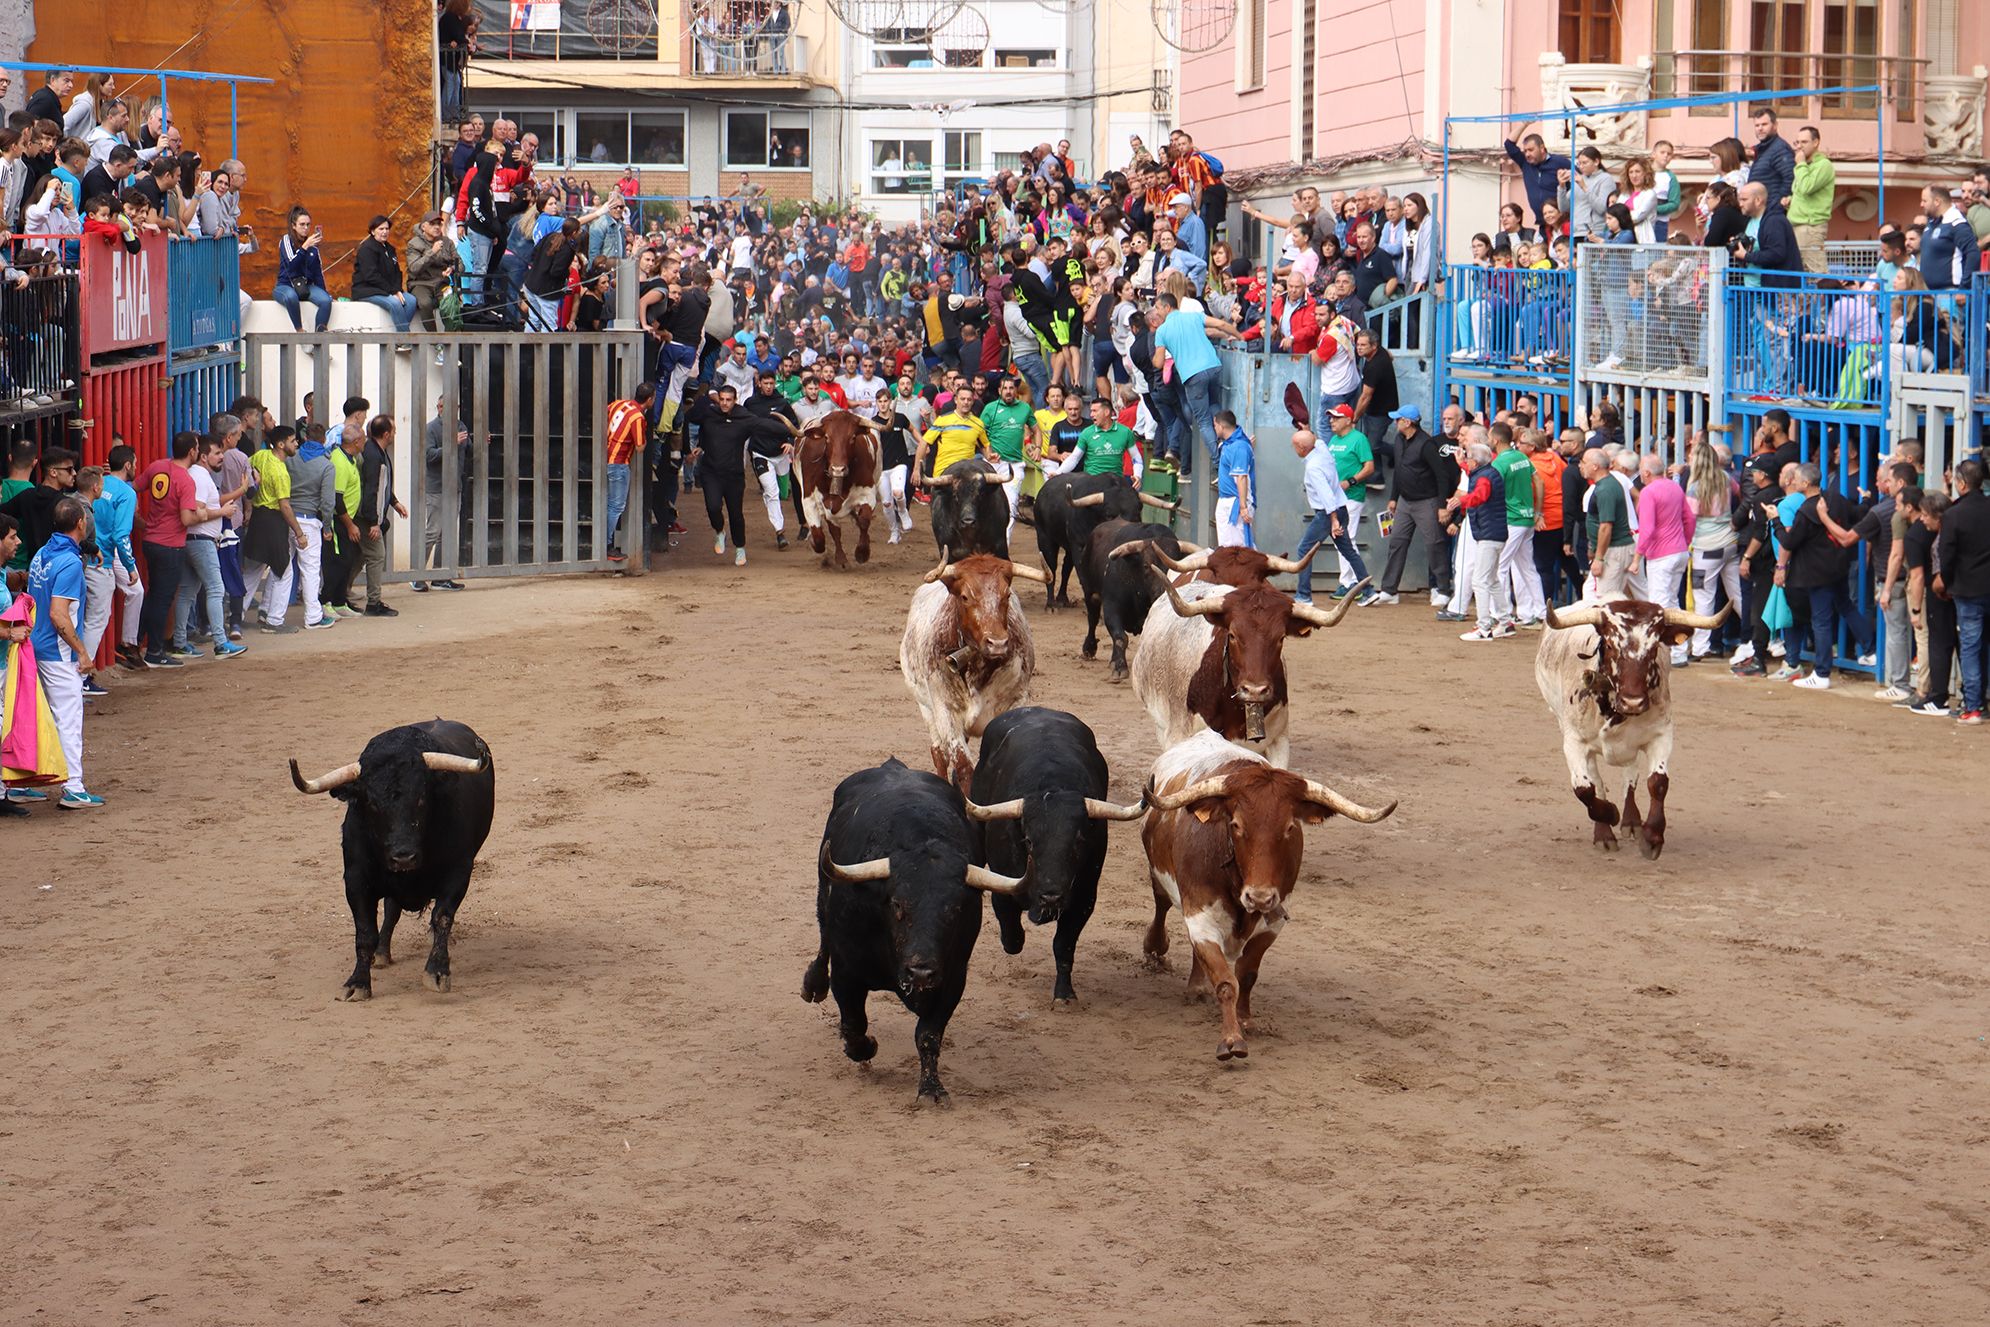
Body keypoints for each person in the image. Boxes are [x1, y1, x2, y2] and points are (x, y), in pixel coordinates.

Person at [25, 497, 102, 807]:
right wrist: (82, 652)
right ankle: (73, 786)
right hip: (59, 654)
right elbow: (60, 615)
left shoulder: (42, 554)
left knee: (33, 716)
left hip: (34, 647)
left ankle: (18, 783)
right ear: (81, 524)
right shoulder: (69, 563)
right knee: (68, 719)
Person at [1767, 462, 1865, 691]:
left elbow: (1789, 541)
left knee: (1820, 621)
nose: (1794, 481)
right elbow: (1857, 513)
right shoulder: (1835, 498)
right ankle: (1870, 650)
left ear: (1806, 483)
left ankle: (1821, 673)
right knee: (1846, 607)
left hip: (1817, 573)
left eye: (1798, 478)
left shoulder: (1806, 509)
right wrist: (1868, 500)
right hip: (1838, 567)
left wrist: (1775, 520)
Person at [684, 384, 796, 566]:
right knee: (713, 507)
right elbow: (690, 416)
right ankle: (719, 531)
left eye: (729, 400)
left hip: (734, 475)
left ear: (735, 401)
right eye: (722, 399)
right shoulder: (709, 413)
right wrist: (705, 396)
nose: (725, 404)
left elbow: (766, 425)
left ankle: (740, 548)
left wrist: (790, 434)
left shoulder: (744, 418)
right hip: (711, 472)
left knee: (736, 514)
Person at [172, 433, 253, 656]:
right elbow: (196, 510)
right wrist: (223, 512)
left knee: (188, 592)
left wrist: (239, 492)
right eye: (217, 453)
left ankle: (180, 642)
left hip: (194, 539)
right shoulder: (199, 477)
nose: (222, 457)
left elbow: (208, 503)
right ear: (204, 457)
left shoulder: (198, 475)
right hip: (201, 540)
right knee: (216, 589)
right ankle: (220, 642)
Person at [1369, 406, 1455, 606]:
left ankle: (1443, 589)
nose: (1395, 422)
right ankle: (1389, 590)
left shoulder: (1427, 444)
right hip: (1406, 502)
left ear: (1407, 422)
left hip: (1427, 501)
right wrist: (1393, 498)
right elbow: (1400, 471)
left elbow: (1442, 476)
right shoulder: (1400, 440)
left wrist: (1441, 505)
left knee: (1435, 544)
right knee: (1397, 542)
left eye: (1398, 419)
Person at [133, 434, 204, 668]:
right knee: (162, 599)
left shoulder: (157, 467)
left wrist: (138, 518)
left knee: (153, 596)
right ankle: (154, 650)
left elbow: (134, 487)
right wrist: (201, 514)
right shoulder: (185, 480)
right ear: (193, 452)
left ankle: (138, 642)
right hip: (170, 544)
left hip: (151, 539)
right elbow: (186, 518)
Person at [1294, 409, 1373, 607]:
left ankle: (1303, 596)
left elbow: (1326, 496)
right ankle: (1368, 590)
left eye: (1295, 445)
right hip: (1342, 508)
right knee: (1348, 551)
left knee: (1304, 549)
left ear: (1302, 449)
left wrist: (1333, 521)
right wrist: (1307, 429)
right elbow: (1317, 440)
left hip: (1328, 514)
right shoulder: (1322, 449)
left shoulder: (1313, 467)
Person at [1935, 458, 1990, 723]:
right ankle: (1980, 702)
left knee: (1970, 647)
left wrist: (1946, 581)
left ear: (1961, 483)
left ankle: (1974, 706)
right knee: (1981, 646)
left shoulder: (1953, 515)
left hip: (1967, 589)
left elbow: (1946, 556)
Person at [240, 425, 305, 633]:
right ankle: (274, 621)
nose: (296, 444)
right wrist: (299, 532)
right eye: (293, 440)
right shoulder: (280, 472)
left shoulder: (260, 456)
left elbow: (246, 474)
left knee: (253, 568)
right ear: (280, 444)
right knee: (284, 571)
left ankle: (236, 615)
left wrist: (248, 505)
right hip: (273, 520)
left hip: (258, 517)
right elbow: (285, 506)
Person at [1445, 441, 1513, 641]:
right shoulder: (1486, 472)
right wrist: (1461, 464)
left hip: (1489, 534)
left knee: (1480, 580)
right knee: (1490, 580)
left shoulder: (1484, 477)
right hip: (1493, 533)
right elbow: (1478, 480)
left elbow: (1480, 495)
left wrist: (1461, 500)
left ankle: (1484, 627)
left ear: (1474, 461)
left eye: (1468, 459)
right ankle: (1505, 621)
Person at [1635, 453, 1696, 666]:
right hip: (1679, 551)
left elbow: (1647, 528)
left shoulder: (1648, 492)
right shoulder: (1675, 487)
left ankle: (1660, 652)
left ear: (1646, 472)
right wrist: (1684, 541)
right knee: (1672, 601)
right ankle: (1678, 652)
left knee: (1659, 604)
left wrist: (1637, 557)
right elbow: (1689, 519)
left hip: (1660, 555)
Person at [86, 444, 143, 669]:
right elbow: (122, 536)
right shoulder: (127, 492)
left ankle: (128, 643)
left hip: (88, 550)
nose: (136, 467)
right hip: (106, 555)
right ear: (128, 465)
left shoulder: (99, 482)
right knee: (96, 618)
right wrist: (130, 566)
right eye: (135, 463)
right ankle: (82, 673)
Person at [1490, 425, 1544, 627]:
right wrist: (1537, 512)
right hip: (1527, 518)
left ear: (1495, 440)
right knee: (1528, 568)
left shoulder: (1499, 463)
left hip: (1511, 520)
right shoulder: (1521, 457)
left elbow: (1493, 493)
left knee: (1499, 568)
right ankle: (1540, 612)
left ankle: (1500, 614)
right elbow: (1539, 482)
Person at [414, 398, 469, 589]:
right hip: (437, 487)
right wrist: (451, 443)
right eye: (443, 406)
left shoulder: (461, 426)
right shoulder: (431, 429)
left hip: (455, 487)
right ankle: (416, 575)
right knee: (432, 532)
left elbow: (467, 450)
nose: (447, 410)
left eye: (453, 407)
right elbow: (429, 456)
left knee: (446, 534)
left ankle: (440, 576)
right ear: (439, 408)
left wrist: (480, 442)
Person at [358, 415, 409, 615]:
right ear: (386, 434)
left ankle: (343, 594)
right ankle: (373, 603)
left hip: (368, 515)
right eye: (394, 430)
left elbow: (382, 483)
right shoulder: (374, 455)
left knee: (360, 555)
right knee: (377, 555)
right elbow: (371, 489)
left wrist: (394, 502)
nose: (395, 434)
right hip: (367, 516)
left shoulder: (376, 451)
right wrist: (373, 522)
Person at [979, 375, 1037, 543]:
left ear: (1016, 391)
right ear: (999, 391)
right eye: (1005, 388)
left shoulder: (1025, 408)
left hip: (1015, 465)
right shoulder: (990, 408)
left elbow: (1036, 429)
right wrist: (987, 453)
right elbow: (981, 435)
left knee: (1011, 506)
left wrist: (1036, 447)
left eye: (1012, 388)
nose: (1009, 391)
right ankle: (986, 539)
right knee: (986, 503)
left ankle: (1003, 544)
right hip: (993, 464)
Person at [604, 383, 652, 564]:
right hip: (619, 463)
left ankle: (605, 542)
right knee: (616, 506)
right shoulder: (638, 417)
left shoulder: (619, 404)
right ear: (650, 400)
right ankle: (607, 545)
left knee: (608, 504)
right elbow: (640, 447)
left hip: (606, 456)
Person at [1581, 446, 1637, 597]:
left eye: (1583, 462)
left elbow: (1606, 526)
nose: (1581, 465)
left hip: (1614, 551)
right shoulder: (1607, 484)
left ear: (1594, 466)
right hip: (1615, 549)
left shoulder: (1605, 489)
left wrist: (1599, 558)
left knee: (1606, 599)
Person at [274, 208, 332, 331]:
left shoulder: (313, 248)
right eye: (302, 224)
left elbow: (317, 274)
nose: (305, 228)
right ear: (293, 226)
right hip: (286, 285)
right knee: (291, 297)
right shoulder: (286, 240)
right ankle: (300, 331)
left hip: (306, 286)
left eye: (308, 224)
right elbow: (291, 265)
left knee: (326, 301)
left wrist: (324, 292)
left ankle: (320, 335)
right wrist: (305, 247)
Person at [1503, 125, 1572, 227]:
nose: (1527, 154)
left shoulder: (1559, 162)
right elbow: (1509, 144)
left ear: (1542, 148)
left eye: (1531, 150)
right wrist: (1524, 123)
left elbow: (1580, 177)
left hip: (1562, 221)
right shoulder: (1525, 163)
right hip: (1542, 222)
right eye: (1525, 151)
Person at [1788, 126, 1835, 272]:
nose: (1799, 147)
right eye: (1797, 142)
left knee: (1816, 271)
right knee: (1801, 273)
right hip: (1797, 224)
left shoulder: (1823, 165)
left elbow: (1807, 187)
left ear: (1816, 142)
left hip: (1810, 226)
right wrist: (1790, 201)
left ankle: (1824, 295)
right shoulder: (1805, 166)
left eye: (1804, 142)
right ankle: (1807, 296)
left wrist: (1800, 164)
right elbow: (1803, 192)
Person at [1212, 411, 1255, 548]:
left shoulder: (1239, 447)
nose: (1214, 429)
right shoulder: (1231, 444)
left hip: (1235, 503)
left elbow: (1241, 477)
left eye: (1214, 426)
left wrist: (1243, 507)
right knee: (1227, 546)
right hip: (1227, 500)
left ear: (1221, 426)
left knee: (1238, 547)